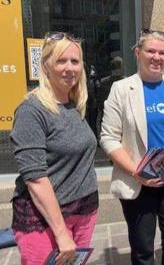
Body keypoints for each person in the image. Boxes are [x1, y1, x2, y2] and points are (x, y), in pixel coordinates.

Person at [100, 28, 164, 265]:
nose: (157, 57)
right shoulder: (121, 89)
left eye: (162, 53)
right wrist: (137, 171)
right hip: (138, 182)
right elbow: (108, 137)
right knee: (142, 249)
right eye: (151, 51)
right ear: (138, 53)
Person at [10, 32, 99, 264]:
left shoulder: (76, 104)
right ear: (46, 66)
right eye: (61, 61)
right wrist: (62, 234)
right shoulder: (31, 110)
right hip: (45, 221)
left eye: (75, 61)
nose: (69, 68)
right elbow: (35, 178)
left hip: (84, 210)